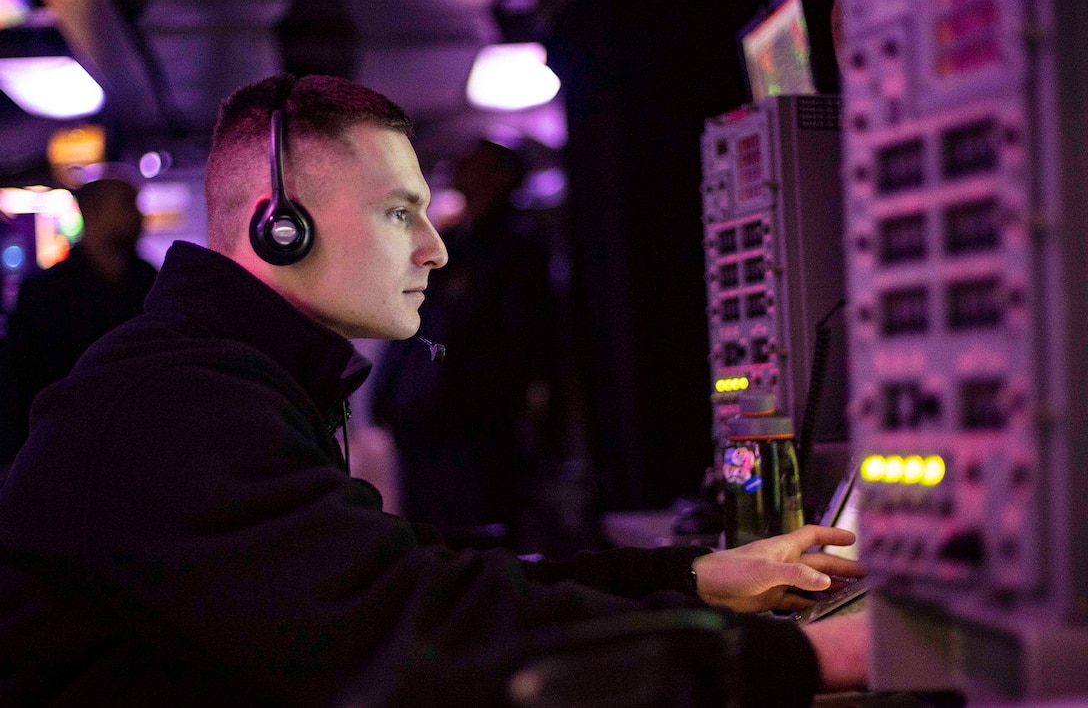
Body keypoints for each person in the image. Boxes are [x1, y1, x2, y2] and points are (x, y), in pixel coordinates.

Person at [0, 73, 867, 706]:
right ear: (280, 223)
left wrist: (695, 574)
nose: (434, 248)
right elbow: (413, 634)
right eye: (397, 212)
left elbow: (425, 576)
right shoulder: (173, 407)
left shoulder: (232, 378)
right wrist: (811, 659)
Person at [370, 138, 558, 549]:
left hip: (474, 427)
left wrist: (460, 397)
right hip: (427, 420)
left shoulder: (515, 246)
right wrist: (390, 394)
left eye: (472, 163)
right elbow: (418, 323)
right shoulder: (454, 241)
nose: (456, 169)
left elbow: (519, 343)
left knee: (472, 533)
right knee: (432, 531)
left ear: (500, 177)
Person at [0, 176, 158, 463]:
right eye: (126, 204)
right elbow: (16, 383)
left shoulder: (150, 281)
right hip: (65, 448)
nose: (138, 215)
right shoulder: (44, 294)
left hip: (140, 444)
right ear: (92, 211)